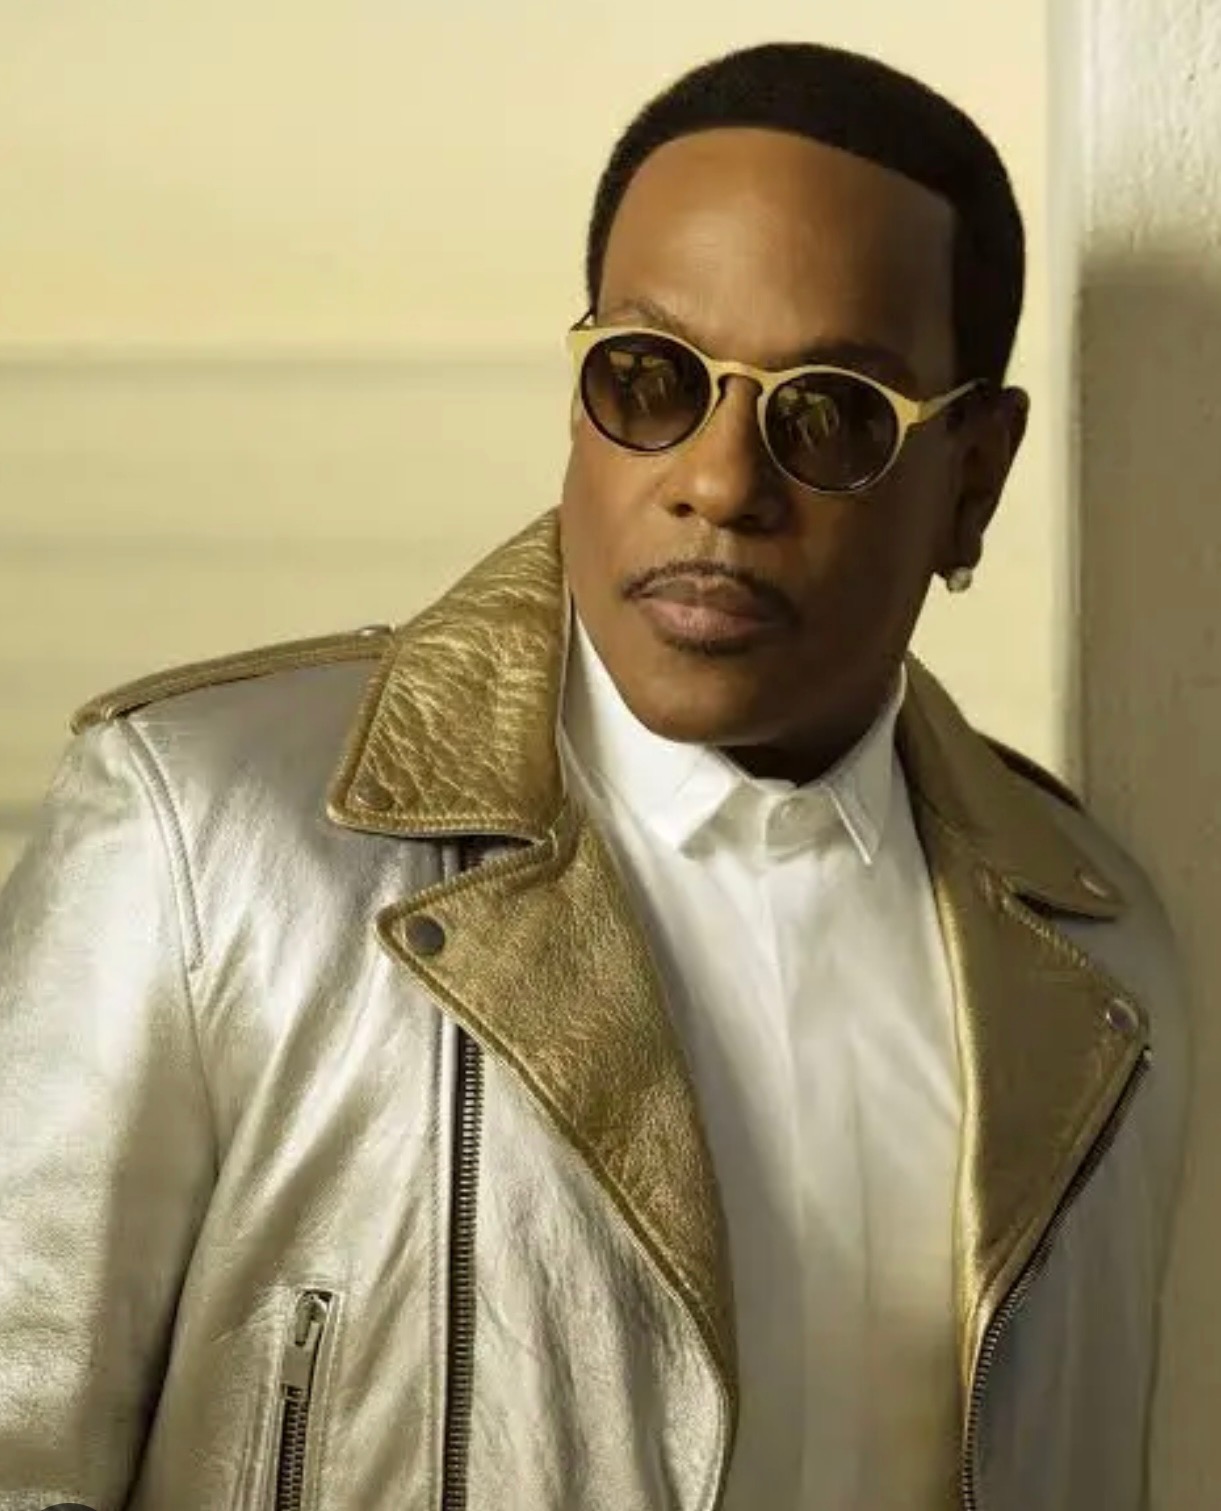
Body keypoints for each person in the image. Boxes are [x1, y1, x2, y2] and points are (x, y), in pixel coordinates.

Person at [0, 39, 1188, 1511]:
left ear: (975, 477)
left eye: (828, 415)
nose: (719, 484)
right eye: (651, 380)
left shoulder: (1096, 967)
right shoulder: (200, 836)